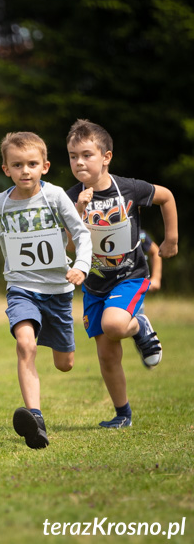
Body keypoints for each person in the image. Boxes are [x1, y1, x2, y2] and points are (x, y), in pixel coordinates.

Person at [66, 119, 178, 429]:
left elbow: (166, 196)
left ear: (106, 157)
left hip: (129, 276)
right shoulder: (71, 196)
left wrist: (171, 239)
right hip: (94, 284)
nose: (79, 162)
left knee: (114, 325)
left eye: (87, 154)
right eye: (73, 156)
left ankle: (139, 324)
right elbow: (68, 244)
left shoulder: (128, 188)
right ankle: (122, 414)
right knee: (106, 354)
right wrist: (77, 210)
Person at [0, 132, 92, 449]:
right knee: (25, 345)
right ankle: (35, 419)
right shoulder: (0, 202)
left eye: (32, 164)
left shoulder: (56, 196)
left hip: (59, 291)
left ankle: (63, 342)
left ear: (45, 166)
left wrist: (81, 266)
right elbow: (6, 241)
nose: (25, 171)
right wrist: (15, 273)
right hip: (21, 287)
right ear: (6, 168)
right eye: (17, 165)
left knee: (65, 363)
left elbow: (81, 233)